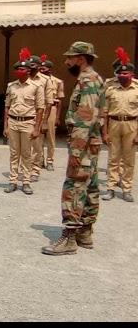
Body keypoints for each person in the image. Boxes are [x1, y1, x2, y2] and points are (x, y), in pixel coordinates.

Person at [42, 41, 104, 255]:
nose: (66, 62)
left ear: (81, 59)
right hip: (91, 143)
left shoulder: (88, 81)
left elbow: (85, 118)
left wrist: (76, 151)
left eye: (70, 58)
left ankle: (69, 237)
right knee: (91, 185)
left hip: (83, 144)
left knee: (74, 186)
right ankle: (85, 233)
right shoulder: (94, 80)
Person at [3, 48, 44, 195]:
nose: (20, 71)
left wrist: (37, 128)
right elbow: (7, 107)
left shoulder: (36, 87)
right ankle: (13, 181)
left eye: (23, 69)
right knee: (14, 153)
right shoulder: (11, 86)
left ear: (28, 71)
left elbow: (40, 109)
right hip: (13, 122)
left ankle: (26, 181)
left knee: (26, 154)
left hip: (28, 123)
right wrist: (5, 126)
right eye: (18, 69)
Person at [101, 47, 137, 202]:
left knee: (129, 159)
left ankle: (127, 188)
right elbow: (104, 112)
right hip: (114, 124)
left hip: (131, 125)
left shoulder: (137, 89)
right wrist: (104, 132)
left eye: (125, 73)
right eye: (120, 73)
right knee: (113, 158)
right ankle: (110, 187)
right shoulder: (111, 89)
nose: (122, 75)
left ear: (131, 74)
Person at [38, 55, 64, 171]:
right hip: (40, 109)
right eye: (40, 68)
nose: (41, 70)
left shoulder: (58, 82)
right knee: (38, 136)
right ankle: (39, 160)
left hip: (52, 109)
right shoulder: (36, 81)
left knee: (50, 137)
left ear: (50, 69)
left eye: (44, 68)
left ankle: (50, 160)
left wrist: (58, 117)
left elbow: (60, 101)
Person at [28, 55, 51, 182]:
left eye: (33, 66)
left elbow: (48, 102)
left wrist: (45, 121)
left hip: (38, 116)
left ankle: (35, 170)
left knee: (36, 146)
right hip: (25, 116)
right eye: (29, 66)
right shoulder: (24, 78)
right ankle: (25, 169)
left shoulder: (45, 80)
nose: (31, 68)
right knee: (25, 146)